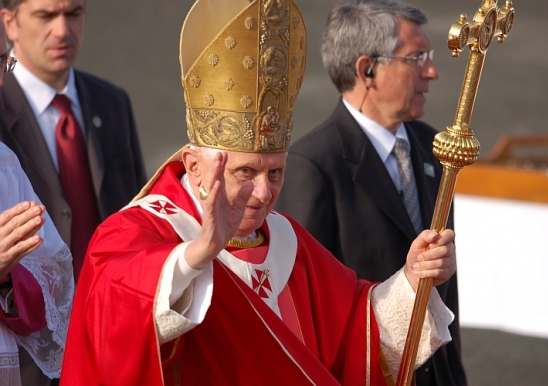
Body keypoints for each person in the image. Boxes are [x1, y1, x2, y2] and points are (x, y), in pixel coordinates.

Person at [61, 0, 457, 384]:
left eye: (276, 172)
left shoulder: (288, 241)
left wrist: (412, 277)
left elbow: (358, 331)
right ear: (196, 166)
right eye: (246, 171)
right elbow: (111, 317)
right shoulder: (137, 230)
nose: (264, 192)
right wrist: (197, 255)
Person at [275, 1, 467, 385]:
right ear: (368, 70)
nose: (432, 71)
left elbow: (447, 288)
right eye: (417, 58)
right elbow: (303, 306)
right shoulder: (315, 165)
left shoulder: (435, 147)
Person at [0, 0, 147, 282]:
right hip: (33, 316)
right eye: (46, 15)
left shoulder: (113, 103)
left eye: (73, 13)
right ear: (9, 23)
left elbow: (140, 213)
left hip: (114, 307)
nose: (62, 30)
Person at [0, 19, 74, 386]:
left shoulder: (4, 165)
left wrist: (6, 277)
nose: (1, 82)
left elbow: (57, 273)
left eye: (2, 63)